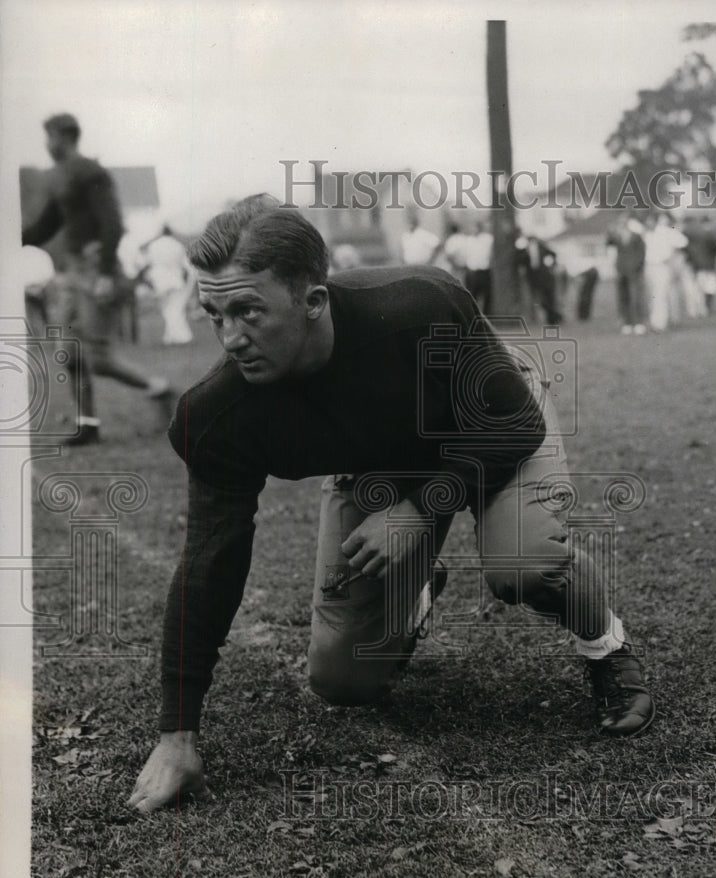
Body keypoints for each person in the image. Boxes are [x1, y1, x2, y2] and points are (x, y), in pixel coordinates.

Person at [127, 200, 655, 814]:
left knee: (523, 566)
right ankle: (417, 590)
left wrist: (417, 511)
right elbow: (207, 563)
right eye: (214, 314)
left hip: (488, 424)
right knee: (343, 681)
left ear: (314, 302)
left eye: (249, 311)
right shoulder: (219, 415)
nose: (231, 338)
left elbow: (514, 423)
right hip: (383, 459)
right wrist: (177, 736)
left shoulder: (416, 306)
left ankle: (607, 648)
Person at [21, 113, 175, 444]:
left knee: (99, 359)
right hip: (73, 271)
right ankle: (88, 425)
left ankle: (161, 389)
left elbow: (113, 223)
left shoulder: (90, 171)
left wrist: (105, 272)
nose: (47, 145)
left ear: (64, 136)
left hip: (94, 269)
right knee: (70, 352)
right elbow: (47, 225)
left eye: (50, 137)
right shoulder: (61, 177)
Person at [141, 224, 196, 345]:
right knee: (174, 308)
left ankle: (178, 336)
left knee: (167, 309)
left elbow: (146, 262)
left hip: (159, 280)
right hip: (175, 279)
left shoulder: (153, 245)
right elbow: (185, 265)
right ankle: (175, 336)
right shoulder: (177, 245)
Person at [643, 212, 688, 333]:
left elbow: (683, 241)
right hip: (648, 266)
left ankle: (659, 323)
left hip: (662, 266)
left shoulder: (665, 232)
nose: (648, 223)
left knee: (660, 295)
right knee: (651, 295)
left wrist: (671, 255)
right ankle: (655, 320)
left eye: (650, 220)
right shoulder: (646, 233)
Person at [606, 211, 647, 335]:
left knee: (636, 297)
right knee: (624, 297)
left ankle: (638, 323)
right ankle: (627, 323)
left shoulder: (636, 236)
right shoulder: (616, 236)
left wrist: (638, 266)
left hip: (634, 271)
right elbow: (608, 244)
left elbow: (642, 253)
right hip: (621, 270)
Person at [514, 234, 562, 324]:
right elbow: (519, 261)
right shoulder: (523, 250)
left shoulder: (541, 247)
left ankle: (552, 318)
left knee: (548, 299)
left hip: (544, 276)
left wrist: (552, 265)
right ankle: (555, 316)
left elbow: (553, 254)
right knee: (540, 300)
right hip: (532, 278)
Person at [463, 220, 494, 313]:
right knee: (472, 296)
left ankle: (487, 318)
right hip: (472, 271)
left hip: (484, 270)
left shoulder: (488, 239)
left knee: (487, 296)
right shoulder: (468, 240)